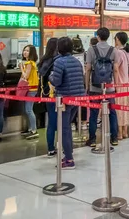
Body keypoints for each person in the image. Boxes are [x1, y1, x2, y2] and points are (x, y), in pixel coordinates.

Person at [49, 37, 86, 169]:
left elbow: (57, 81)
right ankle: (68, 153)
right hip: (77, 98)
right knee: (67, 128)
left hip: (65, 98)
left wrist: (50, 76)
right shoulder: (77, 61)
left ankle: (69, 159)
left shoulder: (59, 62)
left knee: (64, 129)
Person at [86, 27, 120, 147]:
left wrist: (87, 86)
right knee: (112, 112)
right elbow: (115, 70)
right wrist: (115, 86)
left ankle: (92, 140)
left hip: (95, 87)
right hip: (109, 87)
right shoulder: (114, 50)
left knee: (94, 113)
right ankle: (114, 138)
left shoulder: (91, 49)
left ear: (98, 37)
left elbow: (88, 69)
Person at [38, 38, 59, 157]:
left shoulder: (43, 60)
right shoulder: (58, 60)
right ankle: (61, 145)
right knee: (61, 121)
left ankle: (51, 148)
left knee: (51, 122)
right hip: (58, 94)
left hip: (46, 94)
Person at [20, 45, 39, 139]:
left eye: (27, 50)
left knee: (28, 110)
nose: (25, 52)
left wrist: (21, 68)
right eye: (24, 50)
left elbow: (25, 76)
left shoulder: (29, 63)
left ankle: (34, 130)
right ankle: (31, 129)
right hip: (32, 88)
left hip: (30, 89)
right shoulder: (32, 63)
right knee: (28, 109)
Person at [114, 32, 129, 140]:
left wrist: (115, 84)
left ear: (118, 39)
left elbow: (116, 68)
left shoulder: (118, 52)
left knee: (119, 108)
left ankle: (119, 133)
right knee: (126, 108)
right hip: (126, 83)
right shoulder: (127, 52)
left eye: (115, 39)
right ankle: (125, 132)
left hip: (119, 84)